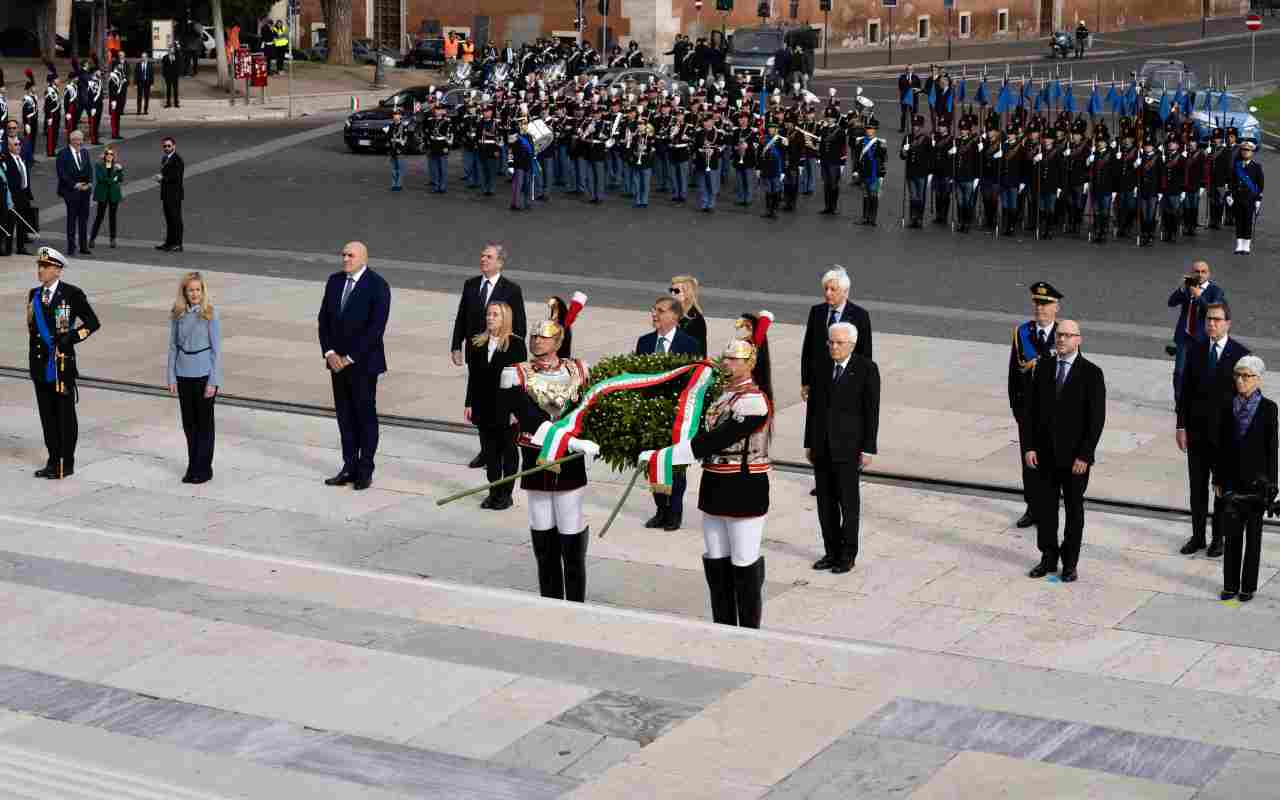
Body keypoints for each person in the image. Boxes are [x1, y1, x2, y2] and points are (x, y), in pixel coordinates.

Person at [640, 312, 774, 628]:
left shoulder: (754, 401)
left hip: (744, 487)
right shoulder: (719, 395)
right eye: (725, 358)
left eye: (734, 359)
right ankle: (724, 624)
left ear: (749, 364)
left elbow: (715, 439)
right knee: (716, 560)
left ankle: (749, 628)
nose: (726, 363)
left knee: (743, 561)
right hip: (715, 485)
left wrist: (666, 456)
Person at [499, 318, 599, 602]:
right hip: (537, 456)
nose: (536, 341)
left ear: (558, 341)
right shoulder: (515, 373)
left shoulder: (579, 369)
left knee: (571, 530)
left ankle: (576, 600)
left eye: (543, 337)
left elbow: (588, 408)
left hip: (569, 461)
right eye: (534, 336)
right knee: (542, 531)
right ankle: (551, 599)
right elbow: (528, 418)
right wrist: (574, 441)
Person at [1021, 319, 1107, 583]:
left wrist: (1085, 455)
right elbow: (1031, 413)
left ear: (1079, 340)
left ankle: (1070, 563)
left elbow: (1096, 420)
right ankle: (1048, 557)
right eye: (1059, 335)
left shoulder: (1091, 373)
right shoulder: (1044, 367)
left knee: (1073, 510)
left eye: (1068, 336)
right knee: (1046, 510)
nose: (1062, 340)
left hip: (1074, 460)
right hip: (1045, 455)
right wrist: (1029, 447)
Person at [806, 321, 880, 574]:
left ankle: (847, 555)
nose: (834, 347)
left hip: (849, 448)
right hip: (822, 446)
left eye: (839, 343)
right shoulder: (821, 366)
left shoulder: (866, 369)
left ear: (852, 344)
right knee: (825, 504)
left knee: (848, 505)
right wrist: (809, 442)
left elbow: (871, 411)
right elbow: (813, 409)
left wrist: (868, 448)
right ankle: (831, 551)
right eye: (831, 342)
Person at [1176, 302, 1249, 557]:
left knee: (1220, 489)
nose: (1212, 324)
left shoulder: (1240, 354)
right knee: (1197, 488)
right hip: (1196, 433)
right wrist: (1181, 426)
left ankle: (1219, 538)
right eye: (1208, 319)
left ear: (1228, 323)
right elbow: (1184, 391)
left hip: (1224, 436)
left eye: (1217, 319)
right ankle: (1198, 536)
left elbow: (1245, 399)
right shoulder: (1195, 350)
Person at [318, 242, 392, 491]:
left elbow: (376, 329)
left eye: (351, 255)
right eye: (344, 254)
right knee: (344, 417)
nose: (346, 258)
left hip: (362, 364)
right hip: (336, 365)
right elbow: (324, 320)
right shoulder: (334, 281)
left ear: (364, 258)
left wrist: (349, 357)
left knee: (364, 416)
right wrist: (329, 353)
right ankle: (348, 466)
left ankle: (364, 469)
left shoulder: (378, 285)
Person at [451, 245, 529, 467]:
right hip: (477, 354)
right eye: (482, 255)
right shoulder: (471, 284)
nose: (483, 259)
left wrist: (511, 350)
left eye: (489, 256)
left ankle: (500, 449)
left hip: (501, 355)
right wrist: (456, 345)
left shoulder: (511, 289)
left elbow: (520, 325)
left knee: (500, 406)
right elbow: (461, 317)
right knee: (479, 400)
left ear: (500, 263)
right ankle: (486, 451)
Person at [27, 247, 101, 480]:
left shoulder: (72, 294)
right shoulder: (33, 295)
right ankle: (52, 459)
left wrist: (72, 338)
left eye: (46, 267)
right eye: (39, 266)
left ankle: (65, 463)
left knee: (65, 416)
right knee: (47, 416)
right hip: (40, 365)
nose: (41, 270)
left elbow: (92, 322)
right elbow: (32, 331)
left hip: (61, 364)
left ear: (57, 270)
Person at [1214, 356, 1277, 602]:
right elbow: (1219, 446)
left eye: (1246, 376)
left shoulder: (1269, 408)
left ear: (1258, 379)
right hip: (1231, 482)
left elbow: (1273, 448)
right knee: (1232, 536)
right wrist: (1217, 479)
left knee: (1253, 537)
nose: (1240, 380)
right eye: (1237, 375)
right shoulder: (1226, 404)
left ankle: (1248, 586)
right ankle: (1229, 584)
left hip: (1256, 484)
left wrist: (1272, 484)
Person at [636, 296, 701, 531]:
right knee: (652, 463)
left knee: (676, 467)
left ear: (675, 316)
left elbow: (695, 379)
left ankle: (674, 513)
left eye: (661, 311)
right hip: (650, 415)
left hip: (677, 416)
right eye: (654, 310)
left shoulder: (689, 344)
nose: (655, 314)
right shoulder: (644, 342)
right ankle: (660, 510)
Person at [1009, 281, 1062, 527]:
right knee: (1029, 461)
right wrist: (1017, 408)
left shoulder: (1065, 333)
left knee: (1051, 460)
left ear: (1056, 307)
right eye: (1037, 304)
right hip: (1028, 410)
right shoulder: (1022, 332)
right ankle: (1032, 507)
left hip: (1054, 410)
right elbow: (1014, 372)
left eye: (1046, 304)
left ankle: (1049, 507)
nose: (1040, 309)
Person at [465, 301, 527, 510]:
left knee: (508, 451)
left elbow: (521, 381)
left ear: (505, 319)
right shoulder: (476, 343)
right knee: (490, 452)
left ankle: (505, 494)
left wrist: (517, 411)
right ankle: (493, 492)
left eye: (495, 315)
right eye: (489, 314)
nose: (490, 318)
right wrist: (469, 403)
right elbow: (473, 377)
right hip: (484, 407)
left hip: (507, 409)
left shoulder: (516, 344)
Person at [167, 272, 222, 484]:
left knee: (204, 424)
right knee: (189, 424)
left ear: (203, 291)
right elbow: (173, 347)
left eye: (198, 289)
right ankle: (192, 465)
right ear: (185, 292)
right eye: (191, 290)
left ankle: (204, 467)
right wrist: (171, 376)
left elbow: (217, 350)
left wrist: (213, 381)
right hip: (183, 373)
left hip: (203, 374)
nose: (195, 293)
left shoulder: (210, 313)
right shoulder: (178, 313)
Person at [800, 266, 873, 403]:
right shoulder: (816, 312)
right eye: (826, 289)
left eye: (833, 289)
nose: (828, 293)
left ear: (845, 292)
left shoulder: (860, 316)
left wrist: (862, 385)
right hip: (818, 381)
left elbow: (865, 353)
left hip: (845, 381)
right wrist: (805, 381)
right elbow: (808, 348)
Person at [1168, 261, 1225, 402]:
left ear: (1209, 273)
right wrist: (1181, 289)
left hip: (1204, 338)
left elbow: (1213, 310)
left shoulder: (1215, 290)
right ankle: (1180, 402)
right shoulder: (1188, 287)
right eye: (1197, 271)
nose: (1200, 274)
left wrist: (1199, 296)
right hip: (1185, 336)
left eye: (1203, 271)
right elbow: (1171, 302)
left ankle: (1198, 401)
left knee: (1201, 373)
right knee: (1180, 372)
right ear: (1192, 273)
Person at [56, 130, 93, 256]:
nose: (79, 142)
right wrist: (74, 185)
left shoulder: (84, 152)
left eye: (81, 139)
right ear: (71, 140)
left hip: (84, 191)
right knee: (72, 219)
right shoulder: (63, 154)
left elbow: (89, 169)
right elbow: (62, 174)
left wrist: (89, 183)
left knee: (84, 219)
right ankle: (71, 247)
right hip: (70, 191)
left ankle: (83, 246)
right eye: (76, 139)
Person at [1, 135, 36, 255]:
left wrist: (27, 192)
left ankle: (21, 247)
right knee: (10, 223)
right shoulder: (7, 160)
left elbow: (24, 175)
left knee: (22, 223)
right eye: (16, 144)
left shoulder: (20, 158)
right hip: (13, 195)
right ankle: (8, 248)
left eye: (19, 144)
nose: (19, 146)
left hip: (23, 194)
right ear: (9, 146)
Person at [1228, 139, 1263, 255]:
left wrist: (1258, 200)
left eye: (1247, 150)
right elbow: (1232, 182)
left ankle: (1246, 245)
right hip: (1238, 197)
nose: (1245, 152)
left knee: (1248, 222)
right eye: (1243, 150)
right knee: (1239, 222)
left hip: (1250, 199)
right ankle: (1239, 245)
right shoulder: (1236, 166)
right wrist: (1230, 194)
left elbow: (1260, 185)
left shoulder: (1256, 167)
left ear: (1252, 152)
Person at [850, 117, 887, 226]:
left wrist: (882, 174)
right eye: (868, 129)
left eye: (872, 129)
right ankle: (865, 217)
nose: (869, 131)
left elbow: (884, 159)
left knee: (873, 195)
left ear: (875, 130)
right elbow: (857, 157)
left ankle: (872, 218)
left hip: (874, 173)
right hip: (864, 171)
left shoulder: (880, 143)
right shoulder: (860, 141)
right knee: (865, 194)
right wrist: (856, 170)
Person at [89, 144, 124, 249]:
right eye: (107, 154)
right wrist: (114, 179)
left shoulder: (117, 166)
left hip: (114, 194)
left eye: (111, 154)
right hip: (103, 194)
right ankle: (92, 239)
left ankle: (113, 239)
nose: (109, 155)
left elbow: (121, 179)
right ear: (104, 155)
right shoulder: (99, 165)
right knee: (99, 217)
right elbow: (100, 179)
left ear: (114, 156)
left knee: (113, 217)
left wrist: (120, 171)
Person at [155, 136, 184, 251]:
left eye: (169, 146)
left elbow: (176, 177)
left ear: (174, 146)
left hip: (174, 194)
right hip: (166, 194)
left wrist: (162, 178)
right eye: (165, 146)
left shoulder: (177, 160)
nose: (166, 148)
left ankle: (177, 244)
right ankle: (169, 242)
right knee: (169, 219)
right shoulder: (165, 158)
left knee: (176, 219)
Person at [669, 275, 707, 356]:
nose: (672, 293)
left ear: (687, 293)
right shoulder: (674, 311)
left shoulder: (695, 318)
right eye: (671, 290)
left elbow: (699, 349)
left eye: (676, 291)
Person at [387, 108, 407, 191]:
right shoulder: (391, 126)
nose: (396, 116)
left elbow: (405, 139)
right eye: (394, 115)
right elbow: (388, 137)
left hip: (399, 149)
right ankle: (393, 184)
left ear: (400, 116)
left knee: (399, 168)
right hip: (393, 149)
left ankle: (398, 184)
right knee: (393, 169)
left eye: (397, 115)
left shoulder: (403, 127)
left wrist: (401, 143)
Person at [897, 64, 921, 133]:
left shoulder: (916, 78)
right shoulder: (902, 77)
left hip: (913, 99)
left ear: (913, 70)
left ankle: (913, 128)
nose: (909, 70)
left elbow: (919, 88)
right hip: (904, 98)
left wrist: (916, 89)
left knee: (913, 114)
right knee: (903, 114)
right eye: (907, 69)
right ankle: (902, 128)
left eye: (910, 69)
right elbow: (900, 87)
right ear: (906, 70)